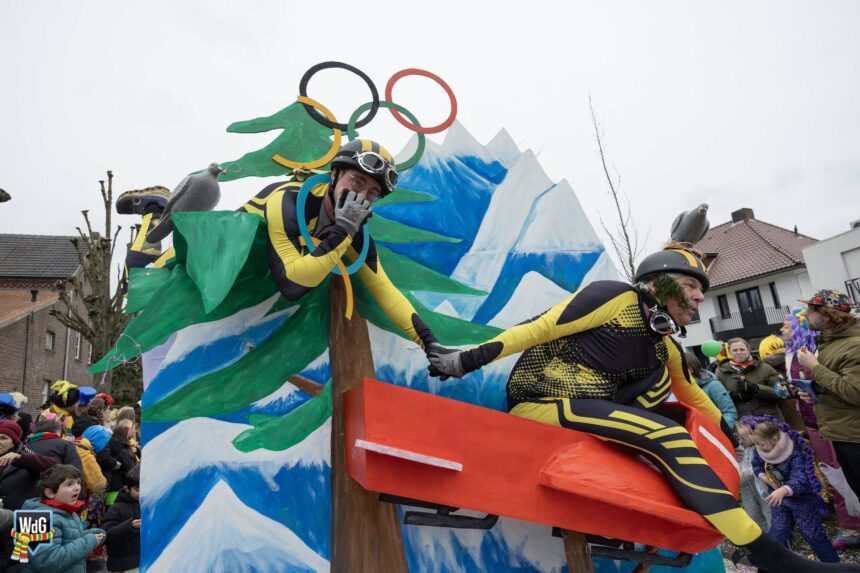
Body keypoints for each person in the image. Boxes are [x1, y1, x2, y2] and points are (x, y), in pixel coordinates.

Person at [428, 245, 856, 571]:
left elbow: (692, 395)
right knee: (665, 434)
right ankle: (774, 559)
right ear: (660, 283)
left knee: (668, 414)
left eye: (701, 291)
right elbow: (538, 328)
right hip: (543, 402)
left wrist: (727, 431)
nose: (699, 299)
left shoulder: (663, 342)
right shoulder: (614, 298)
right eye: (691, 287)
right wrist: (465, 359)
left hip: (590, 409)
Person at [237, 139, 440, 352]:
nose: (361, 197)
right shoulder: (288, 199)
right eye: (357, 183)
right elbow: (291, 283)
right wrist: (343, 231)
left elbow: (384, 290)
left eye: (372, 193)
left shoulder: (355, 231)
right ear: (334, 174)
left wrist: (429, 343)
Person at [796, 290, 860, 522]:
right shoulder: (833, 343)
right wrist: (814, 390)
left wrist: (815, 367)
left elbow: (854, 392)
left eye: (812, 309)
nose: (806, 314)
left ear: (827, 314)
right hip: (846, 434)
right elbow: (840, 384)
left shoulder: (854, 345)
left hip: (855, 438)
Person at [750, 417, 840, 563]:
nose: (758, 447)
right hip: (779, 500)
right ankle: (774, 566)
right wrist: (762, 476)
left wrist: (784, 489)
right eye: (757, 444)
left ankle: (833, 565)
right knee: (778, 533)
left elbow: (801, 478)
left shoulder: (795, 453)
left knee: (812, 534)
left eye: (761, 444)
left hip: (802, 499)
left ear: (774, 439)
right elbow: (756, 464)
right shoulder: (760, 449)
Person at [18, 465, 105, 573]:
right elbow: (47, 563)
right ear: (50, 493)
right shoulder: (36, 519)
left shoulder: (66, 511)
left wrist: (91, 534)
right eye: (69, 484)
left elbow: (67, 539)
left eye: (78, 482)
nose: (78, 487)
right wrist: (89, 541)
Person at [716, 337, 784, 421]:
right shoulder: (721, 372)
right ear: (730, 352)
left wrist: (756, 388)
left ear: (749, 350)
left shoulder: (764, 368)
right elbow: (717, 397)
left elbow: (781, 393)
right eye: (735, 350)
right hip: (742, 423)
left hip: (769, 420)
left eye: (742, 349)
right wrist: (733, 395)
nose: (739, 352)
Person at [101, 465, 140, 573]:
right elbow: (105, 535)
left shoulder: (147, 505)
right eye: (138, 490)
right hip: (125, 566)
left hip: (142, 560)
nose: (142, 493)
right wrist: (129, 526)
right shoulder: (117, 508)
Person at [685, 350, 737, 428]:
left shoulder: (713, 386)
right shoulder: (677, 388)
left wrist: (719, 430)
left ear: (690, 368)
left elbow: (729, 413)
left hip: (714, 434)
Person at [736, 420, 772, 531]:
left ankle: (775, 536)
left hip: (762, 487)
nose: (740, 441)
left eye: (743, 437)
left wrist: (746, 472)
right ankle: (763, 536)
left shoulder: (760, 449)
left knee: (768, 509)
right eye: (738, 438)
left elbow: (760, 467)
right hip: (746, 489)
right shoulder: (740, 451)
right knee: (752, 512)